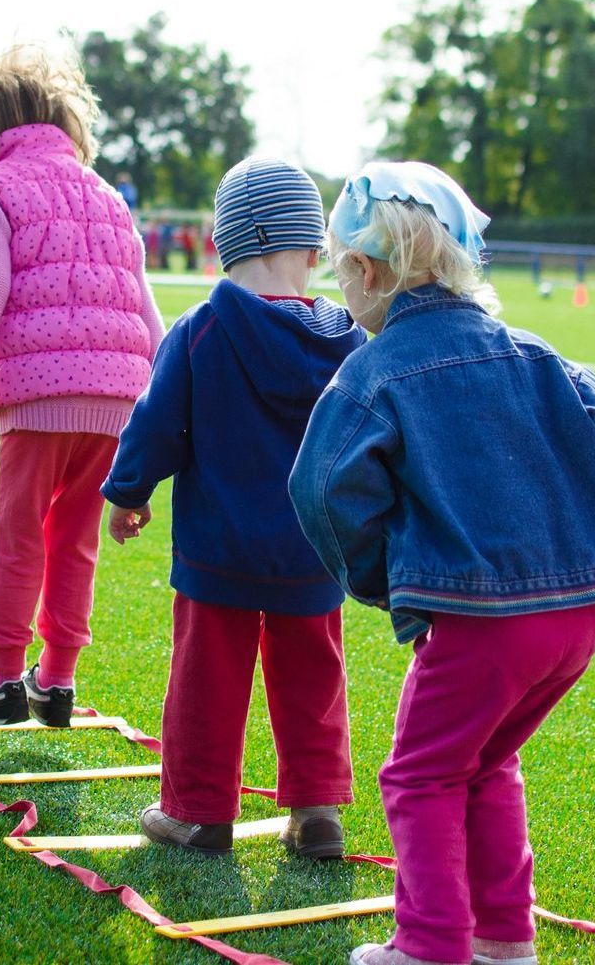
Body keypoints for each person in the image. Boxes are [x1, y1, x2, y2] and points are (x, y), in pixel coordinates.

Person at [289, 163, 595, 965]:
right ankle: (503, 940)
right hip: (576, 621)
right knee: (487, 762)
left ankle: (429, 947)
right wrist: (591, 542)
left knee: (419, 776)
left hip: (483, 623)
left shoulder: (375, 369)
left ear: (369, 271)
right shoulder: (534, 352)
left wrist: (385, 579)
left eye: (342, 271)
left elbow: (320, 487)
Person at [102, 157, 364, 859]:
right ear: (313, 250)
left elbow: (155, 423)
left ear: (220, 244)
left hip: (217, 550)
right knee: (313, 678)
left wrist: (128, 493)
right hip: (315, 552)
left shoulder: (200, 329)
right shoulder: (350, 339)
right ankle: (316, 812)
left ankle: (199, 810)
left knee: (206, 681)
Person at [0, 45, 165, 726]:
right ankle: (55, 679)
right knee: (74, 537)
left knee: (17, 533)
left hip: (38, 395)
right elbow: (146, 308)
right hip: (119, 399)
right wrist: (167, 412)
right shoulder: (107, 195)